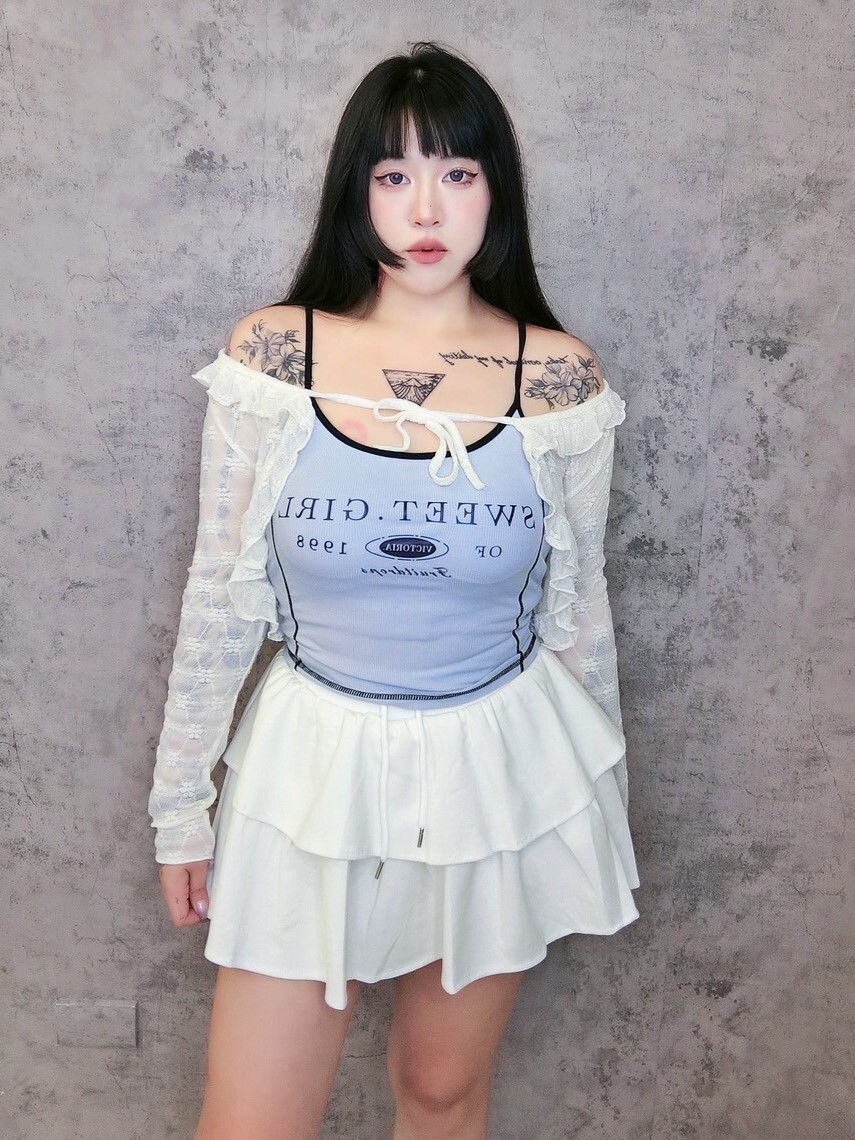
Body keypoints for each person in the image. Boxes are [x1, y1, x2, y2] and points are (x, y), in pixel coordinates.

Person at [149, 41, 640, 1140]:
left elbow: (578, 607)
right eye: (394, 174)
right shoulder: (274, 357)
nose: (426, 208)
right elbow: (218, 592)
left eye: (457, 172)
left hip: (495, 768)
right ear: (355, 190)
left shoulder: (558, 377)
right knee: (251, 1122)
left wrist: (596, 800)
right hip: (309, 766)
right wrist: (180, 807)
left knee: (441, 1094)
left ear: (496, 191)